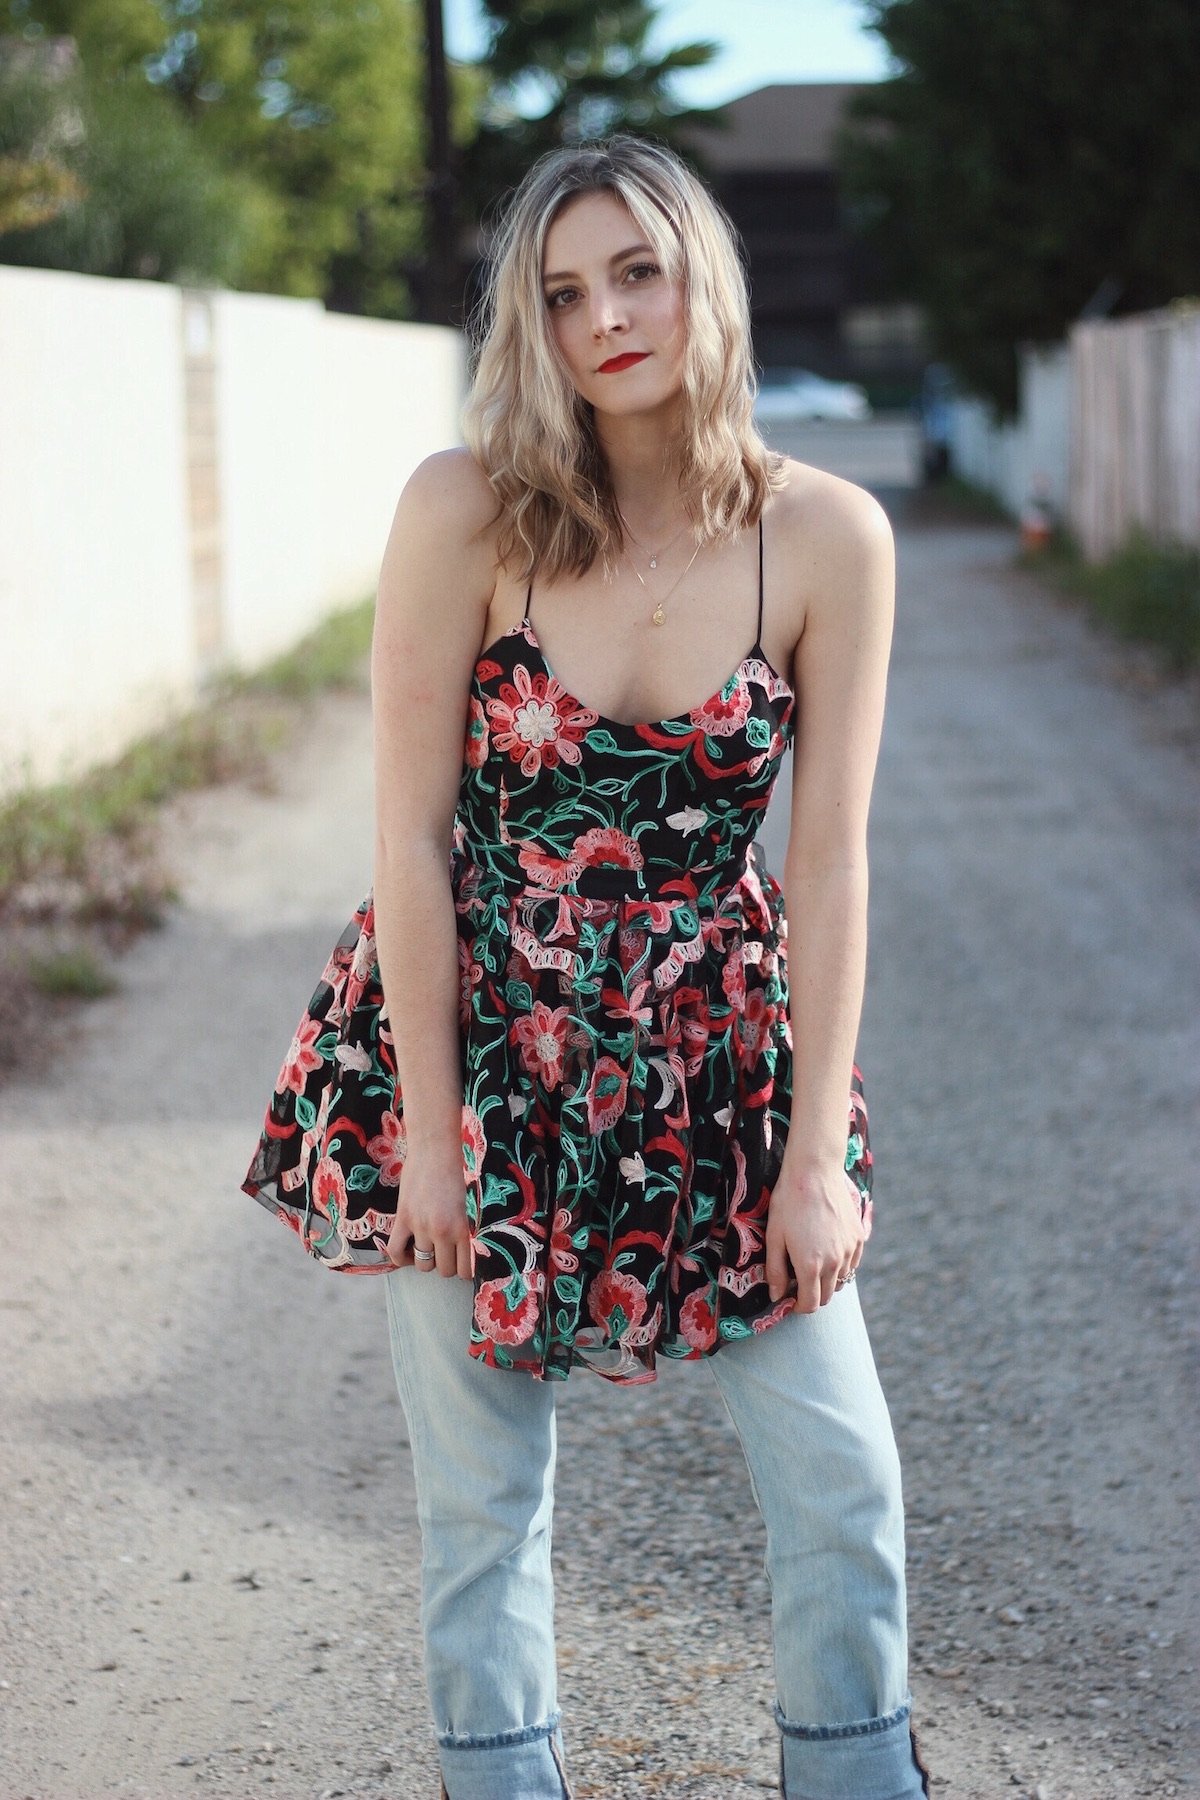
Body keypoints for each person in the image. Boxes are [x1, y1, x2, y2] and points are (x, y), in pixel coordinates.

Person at [242, 136, 929, 1800]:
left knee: (840, 1477)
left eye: (637, 273)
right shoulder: (465, 507)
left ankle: (858, 1776)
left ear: (706, 281)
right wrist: (430, 1135)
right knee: (483, 1506)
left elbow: (829, 865)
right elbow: (410, 839)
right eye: (560, 294)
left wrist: (815, 1156)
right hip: (477, 1042)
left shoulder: (827, 534)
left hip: (723, 1052)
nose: (605, 319)